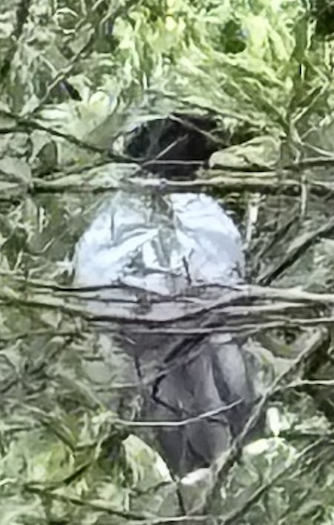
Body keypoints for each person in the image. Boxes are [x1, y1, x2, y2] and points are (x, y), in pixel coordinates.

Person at [72, 110, 259, 476]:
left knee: (183, 396)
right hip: (185, 328)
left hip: (153, 332)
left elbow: (95, 282)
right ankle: (222, 473)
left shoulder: (121, 210)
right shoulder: (194, 207)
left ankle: (203, 477)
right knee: (210, 393)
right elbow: (225, 275)